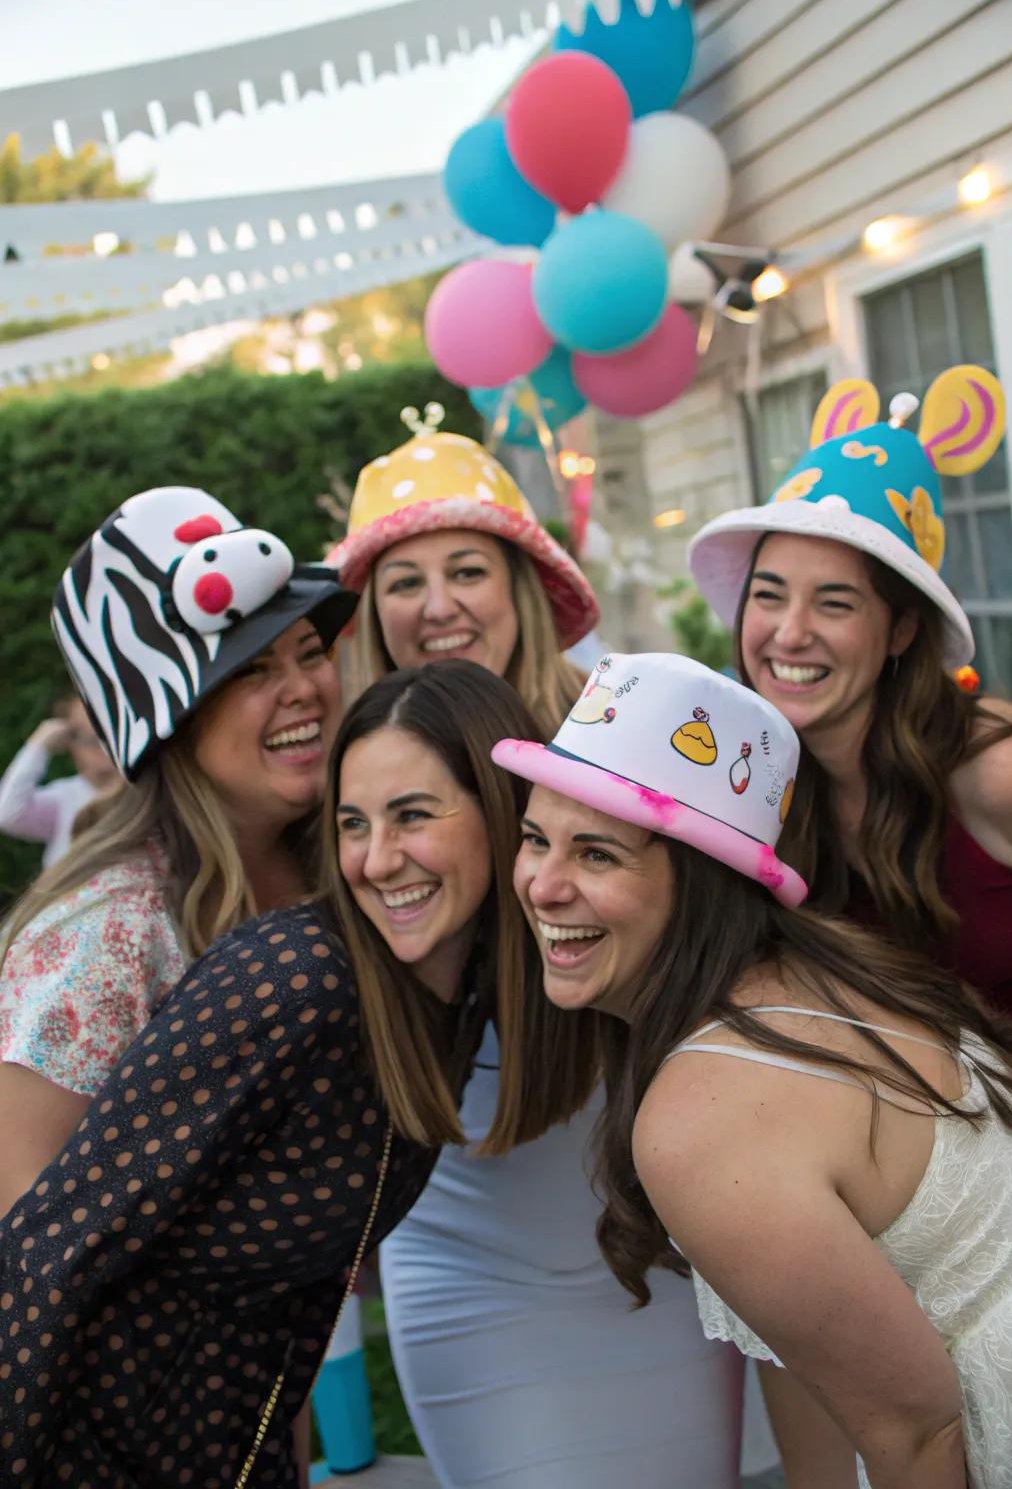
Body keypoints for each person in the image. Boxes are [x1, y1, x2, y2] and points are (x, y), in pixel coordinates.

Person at [0, 660, 598, 1487]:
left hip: (234, 1444)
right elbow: (50, 1247)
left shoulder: (455, 993)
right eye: (353, 824)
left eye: (412, 816)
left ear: (500, 818)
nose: (378, 860)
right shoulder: (295, 979)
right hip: (93, 1448)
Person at [329, 416, 756, 1488]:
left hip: (648, 1238)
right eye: (402, 580)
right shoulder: (354, 788)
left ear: (521, 587)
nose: (436, 606)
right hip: (466, 1253)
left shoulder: (631, 742)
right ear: (371, 615)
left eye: (466, 569)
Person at [495, 649, 1012, 1489]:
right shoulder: (824, 964)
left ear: (701, 881)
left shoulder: (703, 1116)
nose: (542, 885)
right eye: (534, 839)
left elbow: (921, 1433)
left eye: (597, 855)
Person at [0, 484, 356, 1224]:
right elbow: (25, 1227)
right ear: (170, 718)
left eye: (310, 653)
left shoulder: (346, 862)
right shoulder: (103, 936)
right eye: (252, 669)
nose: (302, 690)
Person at [688, 366, 1012, 1014]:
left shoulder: (999, 772)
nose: (789, 634)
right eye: (768, 595)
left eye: (834, 604)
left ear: (900, 629)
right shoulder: (746, 783)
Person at [0, 694, 119, 867]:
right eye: (88, 740)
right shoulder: (64, 796)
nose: (101, 752)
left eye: (109, 738)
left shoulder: (148, 793)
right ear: (68, 742)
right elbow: (7, 814)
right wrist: (38, 746)